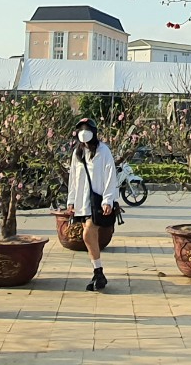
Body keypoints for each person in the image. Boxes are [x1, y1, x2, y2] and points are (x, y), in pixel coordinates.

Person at [64, 117, 119, 292]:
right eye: (81, 129)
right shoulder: (77, 153)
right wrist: (71, 201)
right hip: (82, 202)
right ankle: (98, 271)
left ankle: (98, 270)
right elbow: (73, 177)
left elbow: (111, 175)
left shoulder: (104, 151)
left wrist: (108, 199)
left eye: (87, 129)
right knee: (89, 236)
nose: (84, 132)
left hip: (98, 200)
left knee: (88, 233)